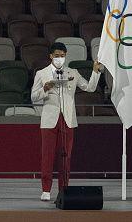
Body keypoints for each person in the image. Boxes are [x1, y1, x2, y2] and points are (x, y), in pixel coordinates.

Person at [31, 42, 103, 201]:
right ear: (50, 56)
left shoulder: (73, 72)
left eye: (62, 56)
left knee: (66, 157)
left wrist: (95, 72)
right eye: (56, 56)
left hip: (68, 120)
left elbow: (89, 88)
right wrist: (45, 89)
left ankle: (64, 189)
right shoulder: (41, 74)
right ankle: (46, 190)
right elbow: (33, 97)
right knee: (47, 156)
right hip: (49, 120)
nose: (59, 58)